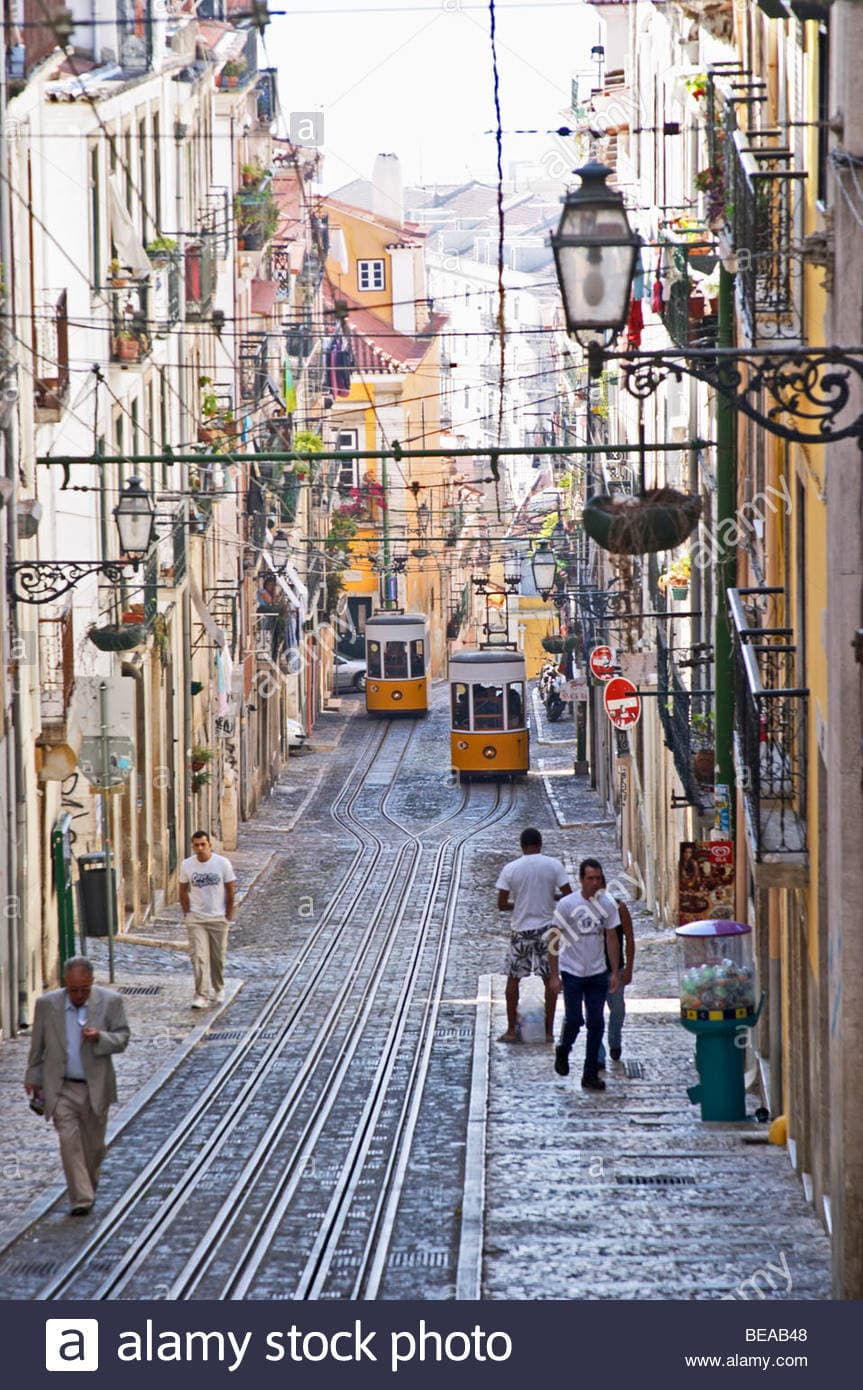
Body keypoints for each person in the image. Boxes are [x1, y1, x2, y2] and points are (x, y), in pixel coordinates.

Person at [24, 956, 130, 1216]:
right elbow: (37, 1048)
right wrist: (33, 1077)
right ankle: (81, 1198)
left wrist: (100, 1038)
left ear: (92, 983)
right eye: (73, 989)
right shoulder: (47, 1005)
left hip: (95, 1086)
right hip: (61, 1088)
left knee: (94, 1148)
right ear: (65, 984)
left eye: (84, 989)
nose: (79, 995)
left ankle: (88, 1187)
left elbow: (123, 1038)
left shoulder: (109, 1002)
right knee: (68, 1140)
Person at [549, 857, 620, 1091]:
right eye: (590, 878)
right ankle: (563, 1048)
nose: (594, 883)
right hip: (572, 971)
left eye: (598, 878)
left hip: (597, 972)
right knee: (574, 1019)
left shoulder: (607, 904)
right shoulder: (567, 905)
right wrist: (553, 975)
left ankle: (589, 1073)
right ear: (581, 880)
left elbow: (611, 937)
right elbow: (554, 938)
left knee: (596, 1023)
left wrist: (614, 972)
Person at [496, 828, 572, 1043]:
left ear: (521, 846)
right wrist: (550, 896)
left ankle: (511, 1030)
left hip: (521, 931)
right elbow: (568, 896)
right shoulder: (554, 865)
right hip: (547, 930)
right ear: (540, 844)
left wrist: (520, 903)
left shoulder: (510, 869)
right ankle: (548, 1032)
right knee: (550, 980)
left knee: (513, 979)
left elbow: (501, 904)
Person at [179, 830, 237, 1009]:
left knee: (217, 957)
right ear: (193, 846)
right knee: (199, 957)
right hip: (196, 918)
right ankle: (201, 995)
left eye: (203, 844)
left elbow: (230, 890)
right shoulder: (187, 865)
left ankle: (218, 988)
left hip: (218, 917)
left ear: (209, 845)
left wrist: (227, 915)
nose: (200, 848)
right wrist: (188, 913)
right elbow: (182, 891)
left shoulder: (222, 864)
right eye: (196, 845)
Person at [597, 878, 635, 1066]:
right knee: (594, 1014)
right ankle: (598, 1056)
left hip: (615, 969)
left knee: (617, 1009)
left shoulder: (619, 908)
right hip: (592, 971)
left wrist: (628, 968)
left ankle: (614, 1041)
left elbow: (629, 937)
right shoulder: (582, 910)